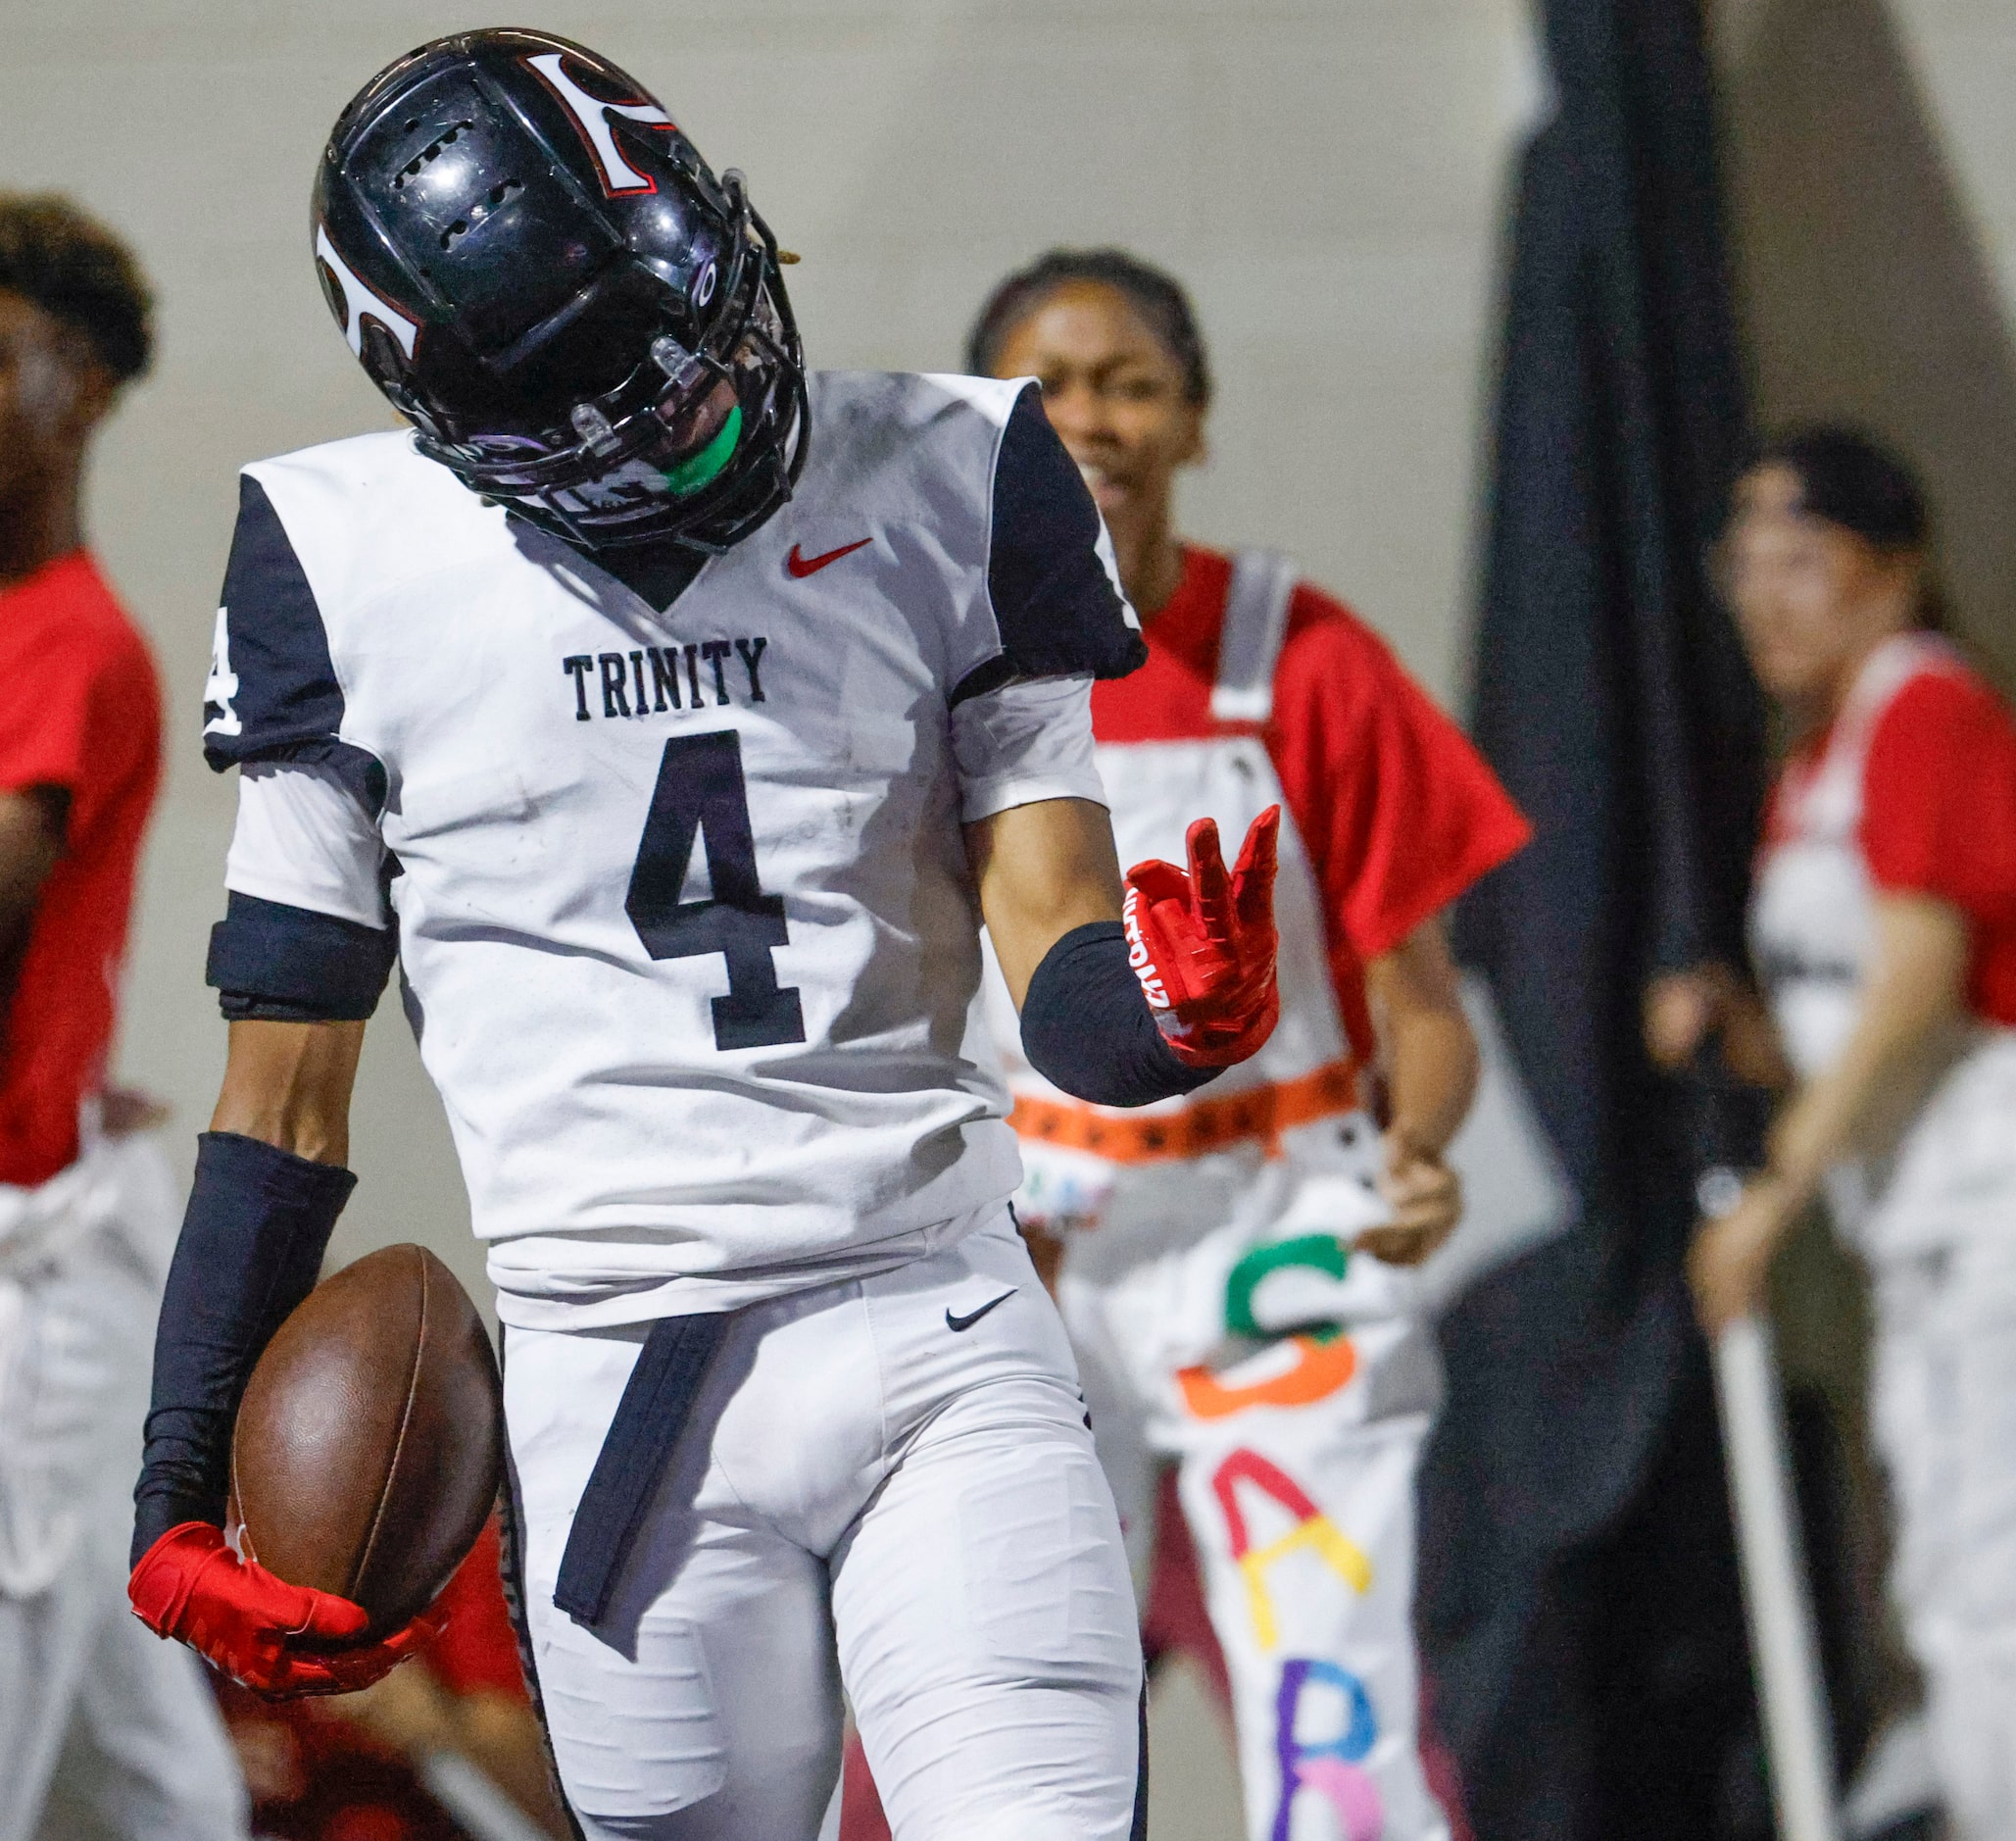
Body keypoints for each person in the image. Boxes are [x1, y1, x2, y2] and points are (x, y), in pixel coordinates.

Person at [124, 33, 1283, 1839]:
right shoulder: (340, 562)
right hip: (617, 1381)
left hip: (936, 1321)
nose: (712, 418)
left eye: (707, 352)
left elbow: (1052, 938)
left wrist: (1162, 1017)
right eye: (631, 417)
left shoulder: (959, 466)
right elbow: (281, 1099)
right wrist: (176, 1482)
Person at [965, 248, 1529, 1841]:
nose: (1091, 414)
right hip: (1029, 1250)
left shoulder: (1299, 648)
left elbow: (1422, 1006)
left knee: (1330, 1716)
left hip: (1268, 1224)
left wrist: (1419, 1148)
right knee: (1001, 1717)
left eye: (1130, 382)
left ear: (1194, 421)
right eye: (1049, 387)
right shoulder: (934, 666)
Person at [1654, 428, 2016, 1841]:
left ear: (1893, 571)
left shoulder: (1928, 710)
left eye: (1803, 563)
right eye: (1745, 567)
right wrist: (1744, 1036)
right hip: (1930, 1210)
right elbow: (1851, 1025)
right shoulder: (1819, 752)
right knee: (1951, 1589)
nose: (1769, 599)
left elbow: (1919, 979)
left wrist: (1774, 1193)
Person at [0, 191, 251, 1841]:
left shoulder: (74, 642)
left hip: (28, 1264)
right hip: (54, 1211)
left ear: (77, 383)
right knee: (143, 1756)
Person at [220, 1519, 571, 1841]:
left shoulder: (456, 1536)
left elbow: (558, 1785)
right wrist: (214, 1762)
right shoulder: (199, 1549)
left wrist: (435, 1721)